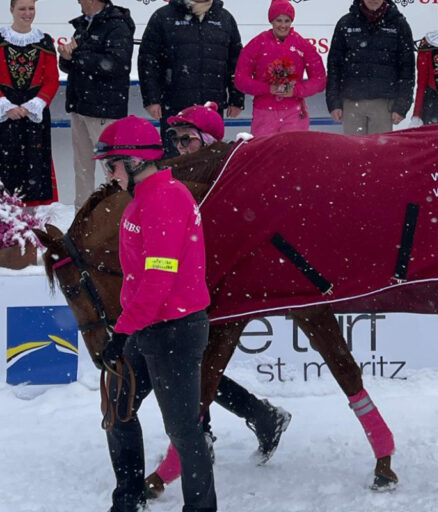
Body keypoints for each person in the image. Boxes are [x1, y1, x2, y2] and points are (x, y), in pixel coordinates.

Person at [145, 101, 292, 497]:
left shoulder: (223, 167)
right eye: (175, 139)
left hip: (223, 281)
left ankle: (214, 432)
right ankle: (256, 417)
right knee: (192, 368)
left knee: (191, 367)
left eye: (188, 139)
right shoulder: (179, 174)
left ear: (208, 140)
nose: (180, 146)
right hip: (196, 280)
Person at [93, 115, 216, 512]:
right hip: (148, 325)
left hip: (173, 330)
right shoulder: (144, 196)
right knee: (118, 410)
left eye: (110, 164)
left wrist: (122, 332)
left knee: (182, 430)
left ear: (132, 160)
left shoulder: (164, 198)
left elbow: (159, 279)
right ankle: (126, 500)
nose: (108, 174)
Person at [138, 0, 244, 158]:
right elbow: (148, 61)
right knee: (175, 163)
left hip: (212, 109)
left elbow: (236, 62)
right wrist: (151, 99)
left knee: (210, 163)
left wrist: (236, 98)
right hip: (175, 106)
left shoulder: (224, 18)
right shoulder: (164, 16)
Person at [0, 0, 59, 206]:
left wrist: (34, 105)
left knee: (33, 166)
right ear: (11, 10)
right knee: (1, 166)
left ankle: (30, 220)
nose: (27, 13)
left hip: (33, 116)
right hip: (4, 113)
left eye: (31, 8)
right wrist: (5, 105)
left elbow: (51, 80)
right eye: (22, 9)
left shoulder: (45, 41)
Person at [58, 0, 134, 209]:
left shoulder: (117, 25)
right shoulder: (83, 24)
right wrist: (65, 57)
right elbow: (71, 64)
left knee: (114, 170)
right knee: (82, 170)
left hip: (105, 110)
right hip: (80, 106)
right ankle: (81, 220)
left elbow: (117, 64)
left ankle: (118, 218)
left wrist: (77, 56)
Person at [234, 0, 326, 136]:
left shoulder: (302, 44)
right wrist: (267, 89)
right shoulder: (257, 44)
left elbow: (319, 80)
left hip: (295, 113)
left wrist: (296, 91)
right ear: (271, 21)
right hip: (264, 113)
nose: (283, 25)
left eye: (287, 21)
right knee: (264, 155)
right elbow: (240, 80)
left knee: (293, 155)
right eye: (278, 20)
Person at [326, 0, 415, 135]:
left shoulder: (399, 24)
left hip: (384, 105)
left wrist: (402, 105)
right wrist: (334, 102)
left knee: (379, 154)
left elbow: (407, 69)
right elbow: (334, 66)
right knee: (354, 153)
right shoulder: (346, 23)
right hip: (351, 104)